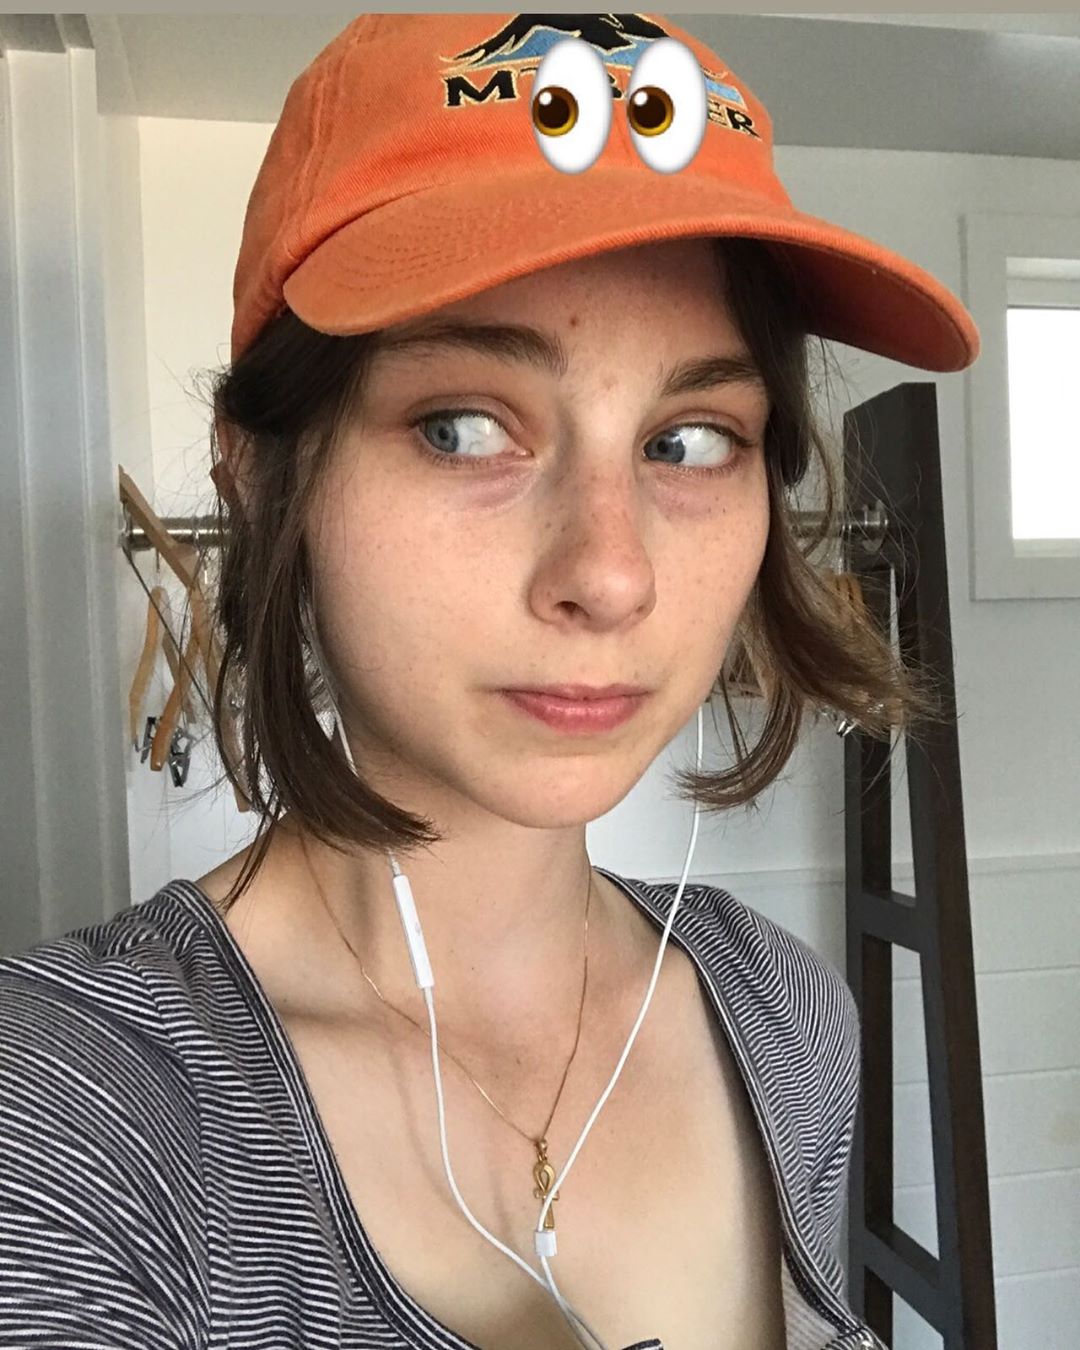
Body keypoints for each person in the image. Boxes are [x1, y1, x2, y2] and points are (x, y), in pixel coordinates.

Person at [0, 13, 978, 1350]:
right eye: (464, 427)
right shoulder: (71, 1120)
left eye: (691, 440)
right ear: (259, 470)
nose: (611, 575)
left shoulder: (787, 1018)